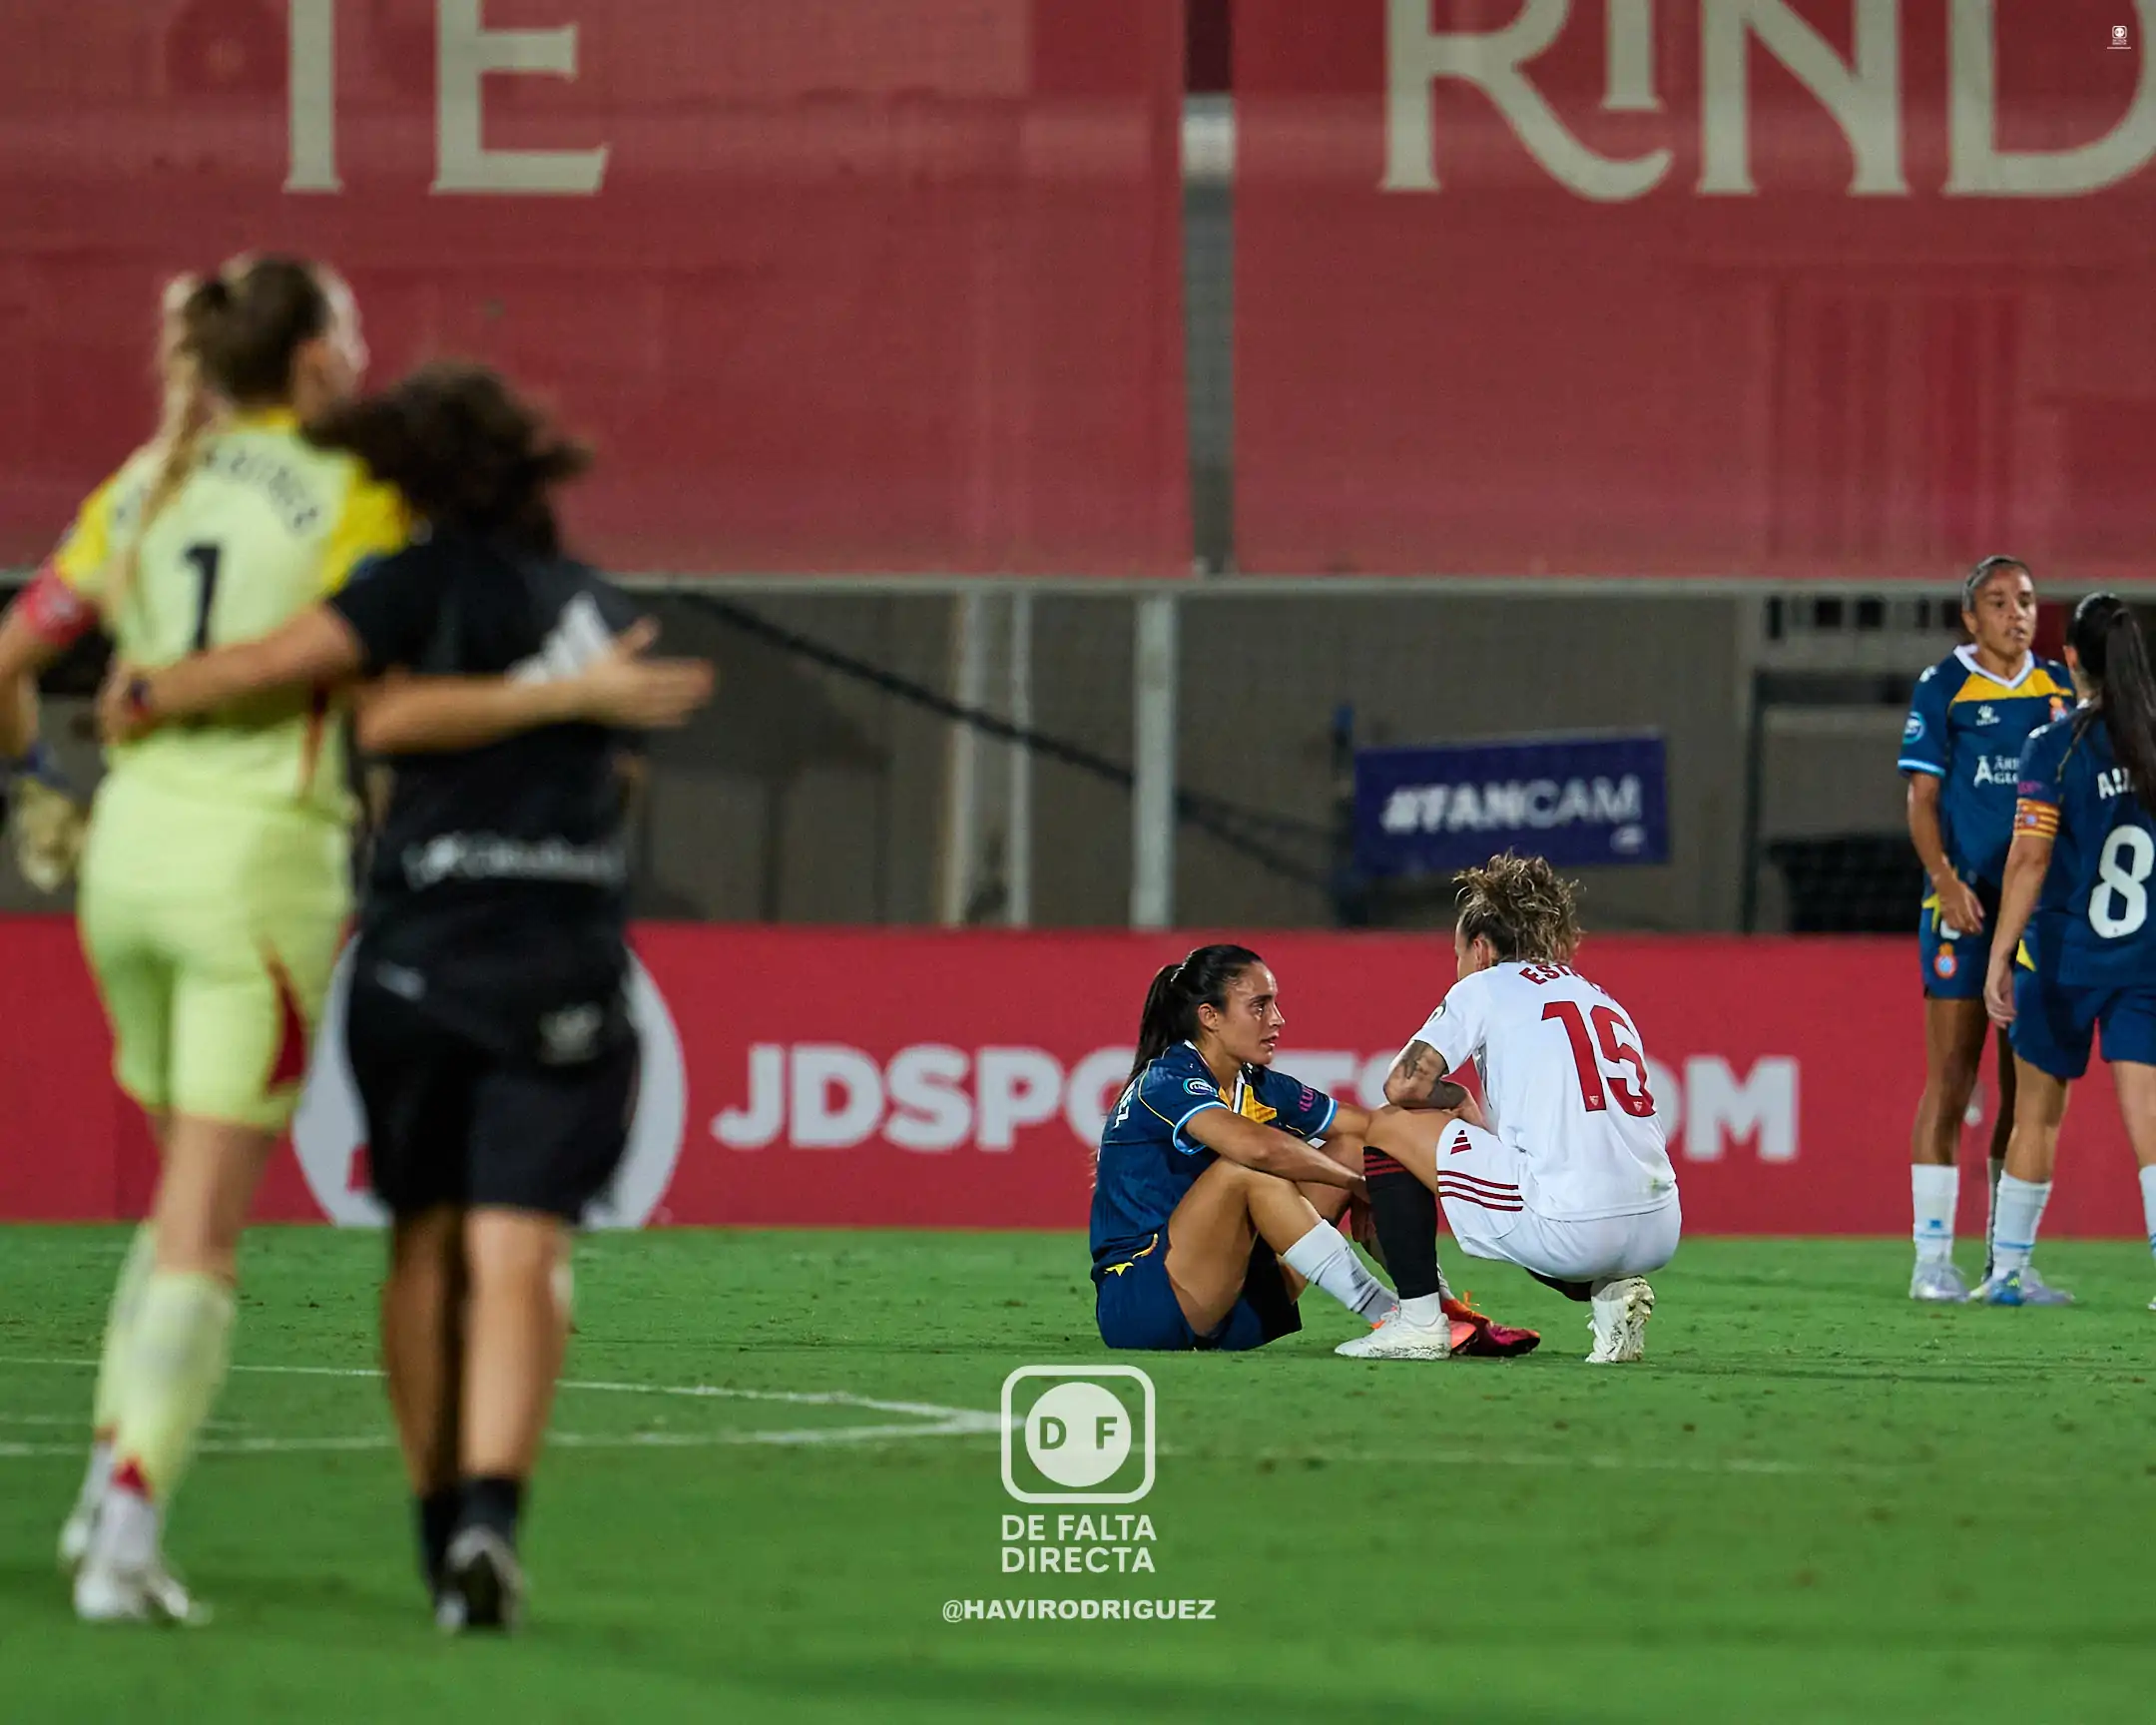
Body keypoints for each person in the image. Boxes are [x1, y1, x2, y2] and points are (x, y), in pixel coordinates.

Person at [104, 359, 715, 1631]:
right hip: (566, 957)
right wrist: (567, 722)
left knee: (426, 1244)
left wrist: (151, 692)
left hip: (420, 959)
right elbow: (621, 775)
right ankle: (490, 1523)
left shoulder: (407, 583)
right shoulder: (593, 606)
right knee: (523, 1248)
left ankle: (446, 1532)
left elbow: (368, 712)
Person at [0, 256, 405, 1623]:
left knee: (180, 1190)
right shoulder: (354, 486)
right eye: (349, 328)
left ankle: (97, 1493)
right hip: (256, 870)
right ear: (311, 357)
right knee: (207, 1229)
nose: (364, 352)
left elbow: (12, 654)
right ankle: (126, 1534)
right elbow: (355, 650)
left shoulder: (145, 482)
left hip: (125, 863)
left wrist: (31, 785)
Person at [1092, 943, 1539, 1357]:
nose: (1277, 1019)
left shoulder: (1260, 1085)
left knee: (1365, 1148)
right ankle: (1389, 1314)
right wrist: (1357, 1186)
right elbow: (1256, 1149)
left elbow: (1377, 1128)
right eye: (1259, 1006)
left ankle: (1437, 1311)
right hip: (1145, 1305)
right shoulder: (1167, 1080)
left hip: (1236, 1303)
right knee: (1244, 1170)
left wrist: (1447, 1101)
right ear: (1209, 1016)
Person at [1339, 855, 1679, 1364]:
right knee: (1535, 1178)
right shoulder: (1599, 996)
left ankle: (1418, 1323)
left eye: (1457, 953)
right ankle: (1611, 1293)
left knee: (1387, 1127)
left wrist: (1455, 1097)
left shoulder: (1484, 985)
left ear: (1480, 949)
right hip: (1660, 1225)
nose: (1458, 966)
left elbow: (1402, 1085)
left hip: (1574, 1228)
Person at [1897, 556, 2074, 1302]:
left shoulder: (2059, 689)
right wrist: (1944, 881)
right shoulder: (1945, 686)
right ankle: (1931, 1259)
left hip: (2033, 915)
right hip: (1963, 911)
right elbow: (1922, 798)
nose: (2016, 614)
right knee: (1951, 1078)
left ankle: (2007, 1264)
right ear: (1971, 618)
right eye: (1998, 602)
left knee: (2020, 1087)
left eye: (2025, 600)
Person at [1982, 595, 2156, 1307]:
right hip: (2143, 960)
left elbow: (2029, 858)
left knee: (2036, 1114)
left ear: (2071, 658)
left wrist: (2000, 953)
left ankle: (2007, 1273)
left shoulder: (2054, 747)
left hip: (2060, 957)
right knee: (2149, 1118)